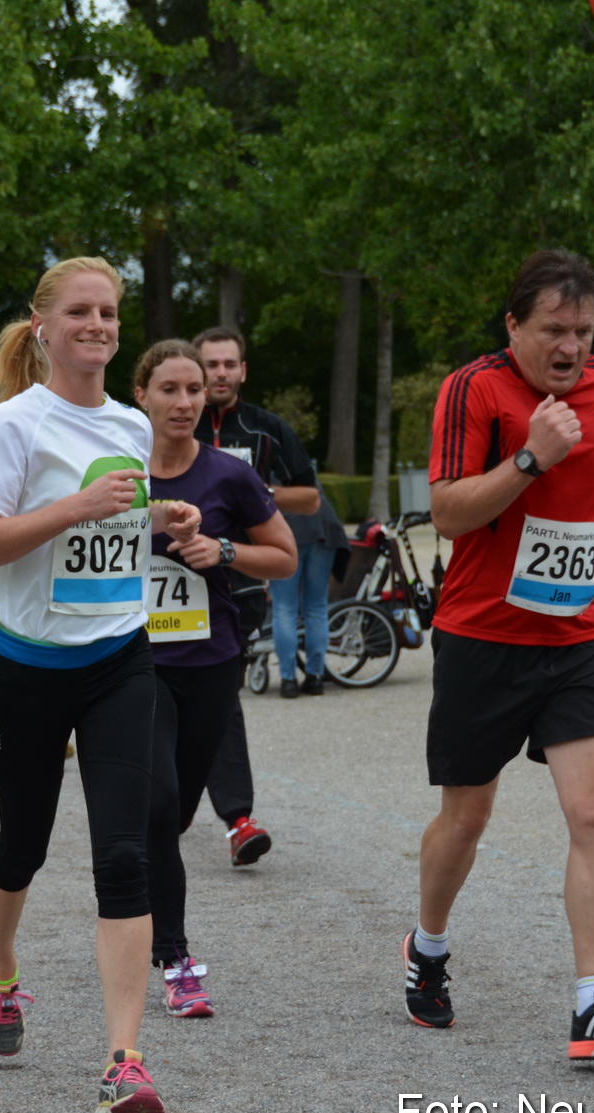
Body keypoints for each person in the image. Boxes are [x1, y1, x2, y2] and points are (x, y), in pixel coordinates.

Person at [0, 256, 199, 1113]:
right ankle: (2, 963)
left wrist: (158, 517)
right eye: (81, 312)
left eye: (109, 312)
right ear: (44, 326)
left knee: (125, 853)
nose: (97, 324)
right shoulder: (13, 428)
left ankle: (124, 1060)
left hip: (118, 661)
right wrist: (76, 509)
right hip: (25, 667)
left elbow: (112, 522)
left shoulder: (132, 426)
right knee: (22, 843)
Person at [405, 248, 594, 1061]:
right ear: (513, 325)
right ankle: (429, 945)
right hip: (483, 636)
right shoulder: (475, 389)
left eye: (582, 331)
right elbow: (446, 511)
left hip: (577, 635)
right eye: (553, 329)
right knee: (467, 816)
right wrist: (529, 458)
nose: (570, 346)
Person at [132, 339, 296, 1017]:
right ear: (140, 395)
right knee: (160, 802)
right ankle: (174, 956)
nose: (184, 402)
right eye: (168, 389)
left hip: (210, 661)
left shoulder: (229, 475)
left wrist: (223, 550)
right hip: (132, 665)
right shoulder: (117, 473)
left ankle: (140, 889)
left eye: (193, 389)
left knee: (174, 814)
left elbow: (284, 556)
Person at [188, 326, 325, 867]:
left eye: (228, 364)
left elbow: (311, 497)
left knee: (219, 696)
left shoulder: (266, 429)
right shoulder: (168, 421)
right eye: (210, 365)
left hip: (237, 585)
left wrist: (247, 491)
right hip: (156, 592)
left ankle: (237, 818)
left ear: (242, 371)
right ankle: (162, 803)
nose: (219, 374)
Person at [273, 492, 348, 698]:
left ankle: (288, 679)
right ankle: (314, 676)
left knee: (284, 607)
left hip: (287, 531)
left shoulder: (268, 470)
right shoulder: (302, 470)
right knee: (316, 607)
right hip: (323, 530)